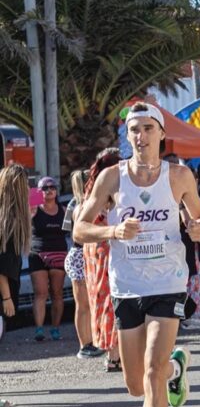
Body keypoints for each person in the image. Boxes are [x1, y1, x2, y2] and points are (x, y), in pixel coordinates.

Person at [74, 102, 200, 407]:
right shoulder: (112, 177)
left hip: (168, 283)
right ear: (127, 135)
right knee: (136, 384)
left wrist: (197, 227)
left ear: (161, 134)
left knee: (150, 376)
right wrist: (113, 229)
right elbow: (81, 228)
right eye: (134, 130)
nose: (141, 136)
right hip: (127, 286)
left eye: (148, 129)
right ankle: (176, 367)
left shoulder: (179, 175)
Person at [83, 149, 122, 371]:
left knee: (101, 299)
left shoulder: (91, 189)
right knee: (111, 300)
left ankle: (113, 353)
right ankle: (115, 354)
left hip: (94, 249)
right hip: (106, 247)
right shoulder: (108, 189)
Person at [62, 169, 103, 358]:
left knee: (86, 304)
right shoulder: (83, 205)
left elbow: (67, 229)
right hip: (81, 254)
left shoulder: (74, 203)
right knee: (84, 304)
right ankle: (84, 344)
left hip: (78, 253)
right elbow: (78, 233)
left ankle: (90, 342)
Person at [29, 176, 68, 341]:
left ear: (57, 190)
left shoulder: (64, 210)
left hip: (59, 253)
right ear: (39, 191)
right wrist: (34, 192)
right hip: (38, 252)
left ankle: (55, 328)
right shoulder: (34, 209)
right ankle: (39, 329)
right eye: (44, 188)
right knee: (40, 292)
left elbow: (72, 230)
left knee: (57, 293)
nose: (49, 190)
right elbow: (27, 206)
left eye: (52, 187)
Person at [0, 165, 31, 343]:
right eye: (25, 183)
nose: (28, 188)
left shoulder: (10, 219)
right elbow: (2, 266)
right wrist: (7, 298)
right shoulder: (8, 224)